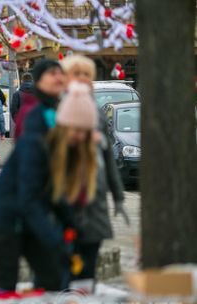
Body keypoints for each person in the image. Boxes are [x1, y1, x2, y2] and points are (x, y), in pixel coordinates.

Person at [0, 81, 99, 292]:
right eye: (76, 129)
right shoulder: (35, 145)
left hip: (27, 218)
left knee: (51, 278)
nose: (80, 137)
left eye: (85, 132)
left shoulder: (64, 150)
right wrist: (53, 239)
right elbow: (30, 198)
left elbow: (55, 193)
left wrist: (71, 223)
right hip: (4, 218)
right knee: (7, 283)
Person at [61, 55, 128, 284]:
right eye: (75, 74)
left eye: (86, 75)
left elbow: (108, 156)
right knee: (66, 267)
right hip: (65, 199)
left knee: (89, 266)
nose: (81, 80)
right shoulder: (56, 107)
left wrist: (118, 197)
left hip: (94, 198)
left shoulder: (97, 112)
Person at [11, 73, 38, 138]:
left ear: (22, 81)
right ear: (32, 80)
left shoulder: (16, 94)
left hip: (21, 123)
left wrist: (17, 121)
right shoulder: (38, 93)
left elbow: (13, 110)